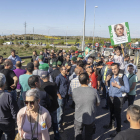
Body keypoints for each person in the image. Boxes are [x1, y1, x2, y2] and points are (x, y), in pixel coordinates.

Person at [103, 63, 130, 137]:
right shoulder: (111, 76)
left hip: (118, 98)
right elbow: (106, 85)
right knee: (111, 112)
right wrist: (106, 80)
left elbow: (127, 89)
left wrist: (117, 85)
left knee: (117, 115)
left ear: (118, 68)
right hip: (111, 97)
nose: (114, 70)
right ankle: (111, 125)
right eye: (112, 69)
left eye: (115, 68)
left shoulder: (123, 77)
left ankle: (118, 131)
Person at [73, 72, 100, 140]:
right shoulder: (94, 91)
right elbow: (98, 103)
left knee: (78, 134)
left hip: (78, 117)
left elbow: (75, 101)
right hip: (90, 117)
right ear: (88, 80)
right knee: (89, 135)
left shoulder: (75, 91)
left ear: (79, 81)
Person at [41, 73, 60, 140]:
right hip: (54, 106)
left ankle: (46, 137)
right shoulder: (54, 84)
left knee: (45, 124)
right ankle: (57, 136)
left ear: (41, 78)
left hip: (45, 108)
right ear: (49, 77)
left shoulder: (41, 87)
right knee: (55, 123)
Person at [0, 73, 19, 140]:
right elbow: (15, 111)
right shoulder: (8, 96)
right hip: (8, 122)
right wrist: (16, 121)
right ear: (5, 83)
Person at [55, 66, 69, 132]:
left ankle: (61, 123)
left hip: (65, 96)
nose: (66, 70)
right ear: (61, 71)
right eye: (65, 69)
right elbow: (55, 88)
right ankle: (58, 127)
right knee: (59, 112)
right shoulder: (58, 78)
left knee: (63, 111)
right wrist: (59, 95)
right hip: (61, 97)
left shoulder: (66, 76)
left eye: (66, 69)